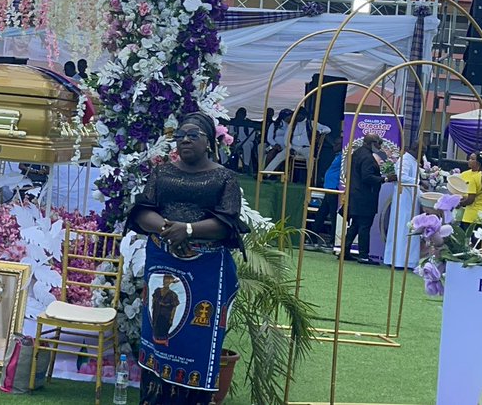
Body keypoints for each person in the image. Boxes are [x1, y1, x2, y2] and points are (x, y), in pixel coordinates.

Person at [126, 111, 247, 405]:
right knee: (159, 334)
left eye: (193, 135)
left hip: (205, 272)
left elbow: (228, 223)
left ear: (208, 142)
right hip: (163, 264)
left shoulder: (223, 177)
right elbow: (142, 212)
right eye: (180, 136)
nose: (185, 141)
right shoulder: (162, 173)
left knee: (196, 341)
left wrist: (189, 230)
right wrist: (169, 229)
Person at [342, 133, 385, 264]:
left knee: (355, 225)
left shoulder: (357, 153)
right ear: (372, 143)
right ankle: (363, 255)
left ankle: (345, 251)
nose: (380, 146)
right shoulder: (367, 157)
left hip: (355, 194)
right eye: (379, 143)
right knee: (364, 226)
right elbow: (367, 177)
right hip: (365, 196)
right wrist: (385, 179)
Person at [383, 135, 424, 269]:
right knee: (401, 227)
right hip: (403, 198)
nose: (423, 154)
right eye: (422, 151)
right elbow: (402, 177)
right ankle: (397, 260)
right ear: (416, 149)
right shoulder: (405, 160)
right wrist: (418, 182)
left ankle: (408, 260)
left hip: (410, 198)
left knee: (409, 226)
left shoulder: (413, 160)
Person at [264, 108, 330, 179]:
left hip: (306, 148)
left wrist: (320, 131)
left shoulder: (311, 123)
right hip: (293, 147)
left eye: (298, 114)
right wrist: (290, 147)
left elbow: (328, 129)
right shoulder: (292, 124)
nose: (296, 116)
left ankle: (310, 180)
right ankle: (266, 173)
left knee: (310, 157)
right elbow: (286, 139)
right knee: (280, 155)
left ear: (303, 115)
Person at [309, 135, 343, 247]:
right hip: (329, 187)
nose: (334, 146)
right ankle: (313, 237)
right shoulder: (337, 156)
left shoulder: (343, 157)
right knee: (322, 213)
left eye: (337, 144)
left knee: (331, 215)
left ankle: (332, 240)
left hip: (334, 188)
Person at [458, 151, 482, 227]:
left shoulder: (476, 178)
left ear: (479, 162)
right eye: (469, 158)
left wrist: (458, 204)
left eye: (472, 159)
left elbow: (470, 199)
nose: (469, 161)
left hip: (471, 216)